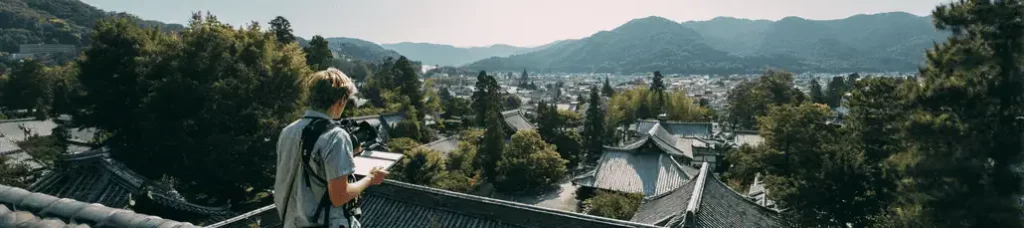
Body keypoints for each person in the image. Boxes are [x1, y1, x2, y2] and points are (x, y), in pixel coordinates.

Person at [274, 68, 388, 228]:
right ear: (341, 100)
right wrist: (370, 179)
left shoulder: (288, 131)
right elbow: (340, 196)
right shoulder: (336, 136)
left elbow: (302, 173)